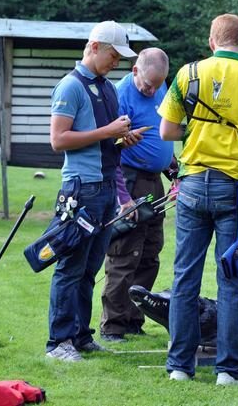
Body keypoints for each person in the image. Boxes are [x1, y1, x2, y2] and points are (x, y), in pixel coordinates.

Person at [159, 13, 238, 385]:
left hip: (193, 183)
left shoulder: (188, 73)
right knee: (231, 279)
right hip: (236, 187)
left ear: (211, 42)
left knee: (185, 278)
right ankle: (229, 370)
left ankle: (180, 367)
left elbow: (167, 130)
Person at [46, 21, 141, 361]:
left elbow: (106, 135)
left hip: (105, 189)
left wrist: (122, 137)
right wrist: (107, 132)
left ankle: (81, 337)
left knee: (90, 268)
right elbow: (58, 140)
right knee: (70, 268)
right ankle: (58, 343)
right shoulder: (70, 87)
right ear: (95, 46)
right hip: (81, 189)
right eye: (113, 55)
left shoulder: (108, 88)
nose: (116, 63)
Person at [100, 48, 176, 343]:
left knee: (150, 252)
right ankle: (113, 325)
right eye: (148, 84)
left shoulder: (159, 86)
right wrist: (123, 199)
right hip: (129, 182)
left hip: (154, 180)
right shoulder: (119, 96)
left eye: (158, 85)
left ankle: (134, 317)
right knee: (125, 253)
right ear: (134, 71)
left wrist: (172, 166)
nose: (153, 90)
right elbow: (112, 151)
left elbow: (160, 134)